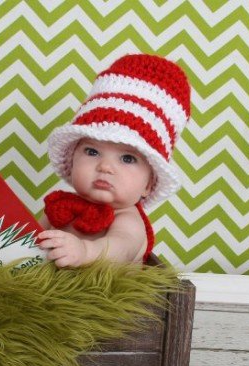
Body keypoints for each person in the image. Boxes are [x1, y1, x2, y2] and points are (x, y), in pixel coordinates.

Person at [37, 53, 191, 267]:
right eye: (92, 152)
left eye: (127, 158)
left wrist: (85, 251)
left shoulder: (128, 221)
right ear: (72, 161)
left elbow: (120, 248)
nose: (105, 167)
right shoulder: (59, 207)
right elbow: (28, 236)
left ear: (148, 184)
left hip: (102, 298)